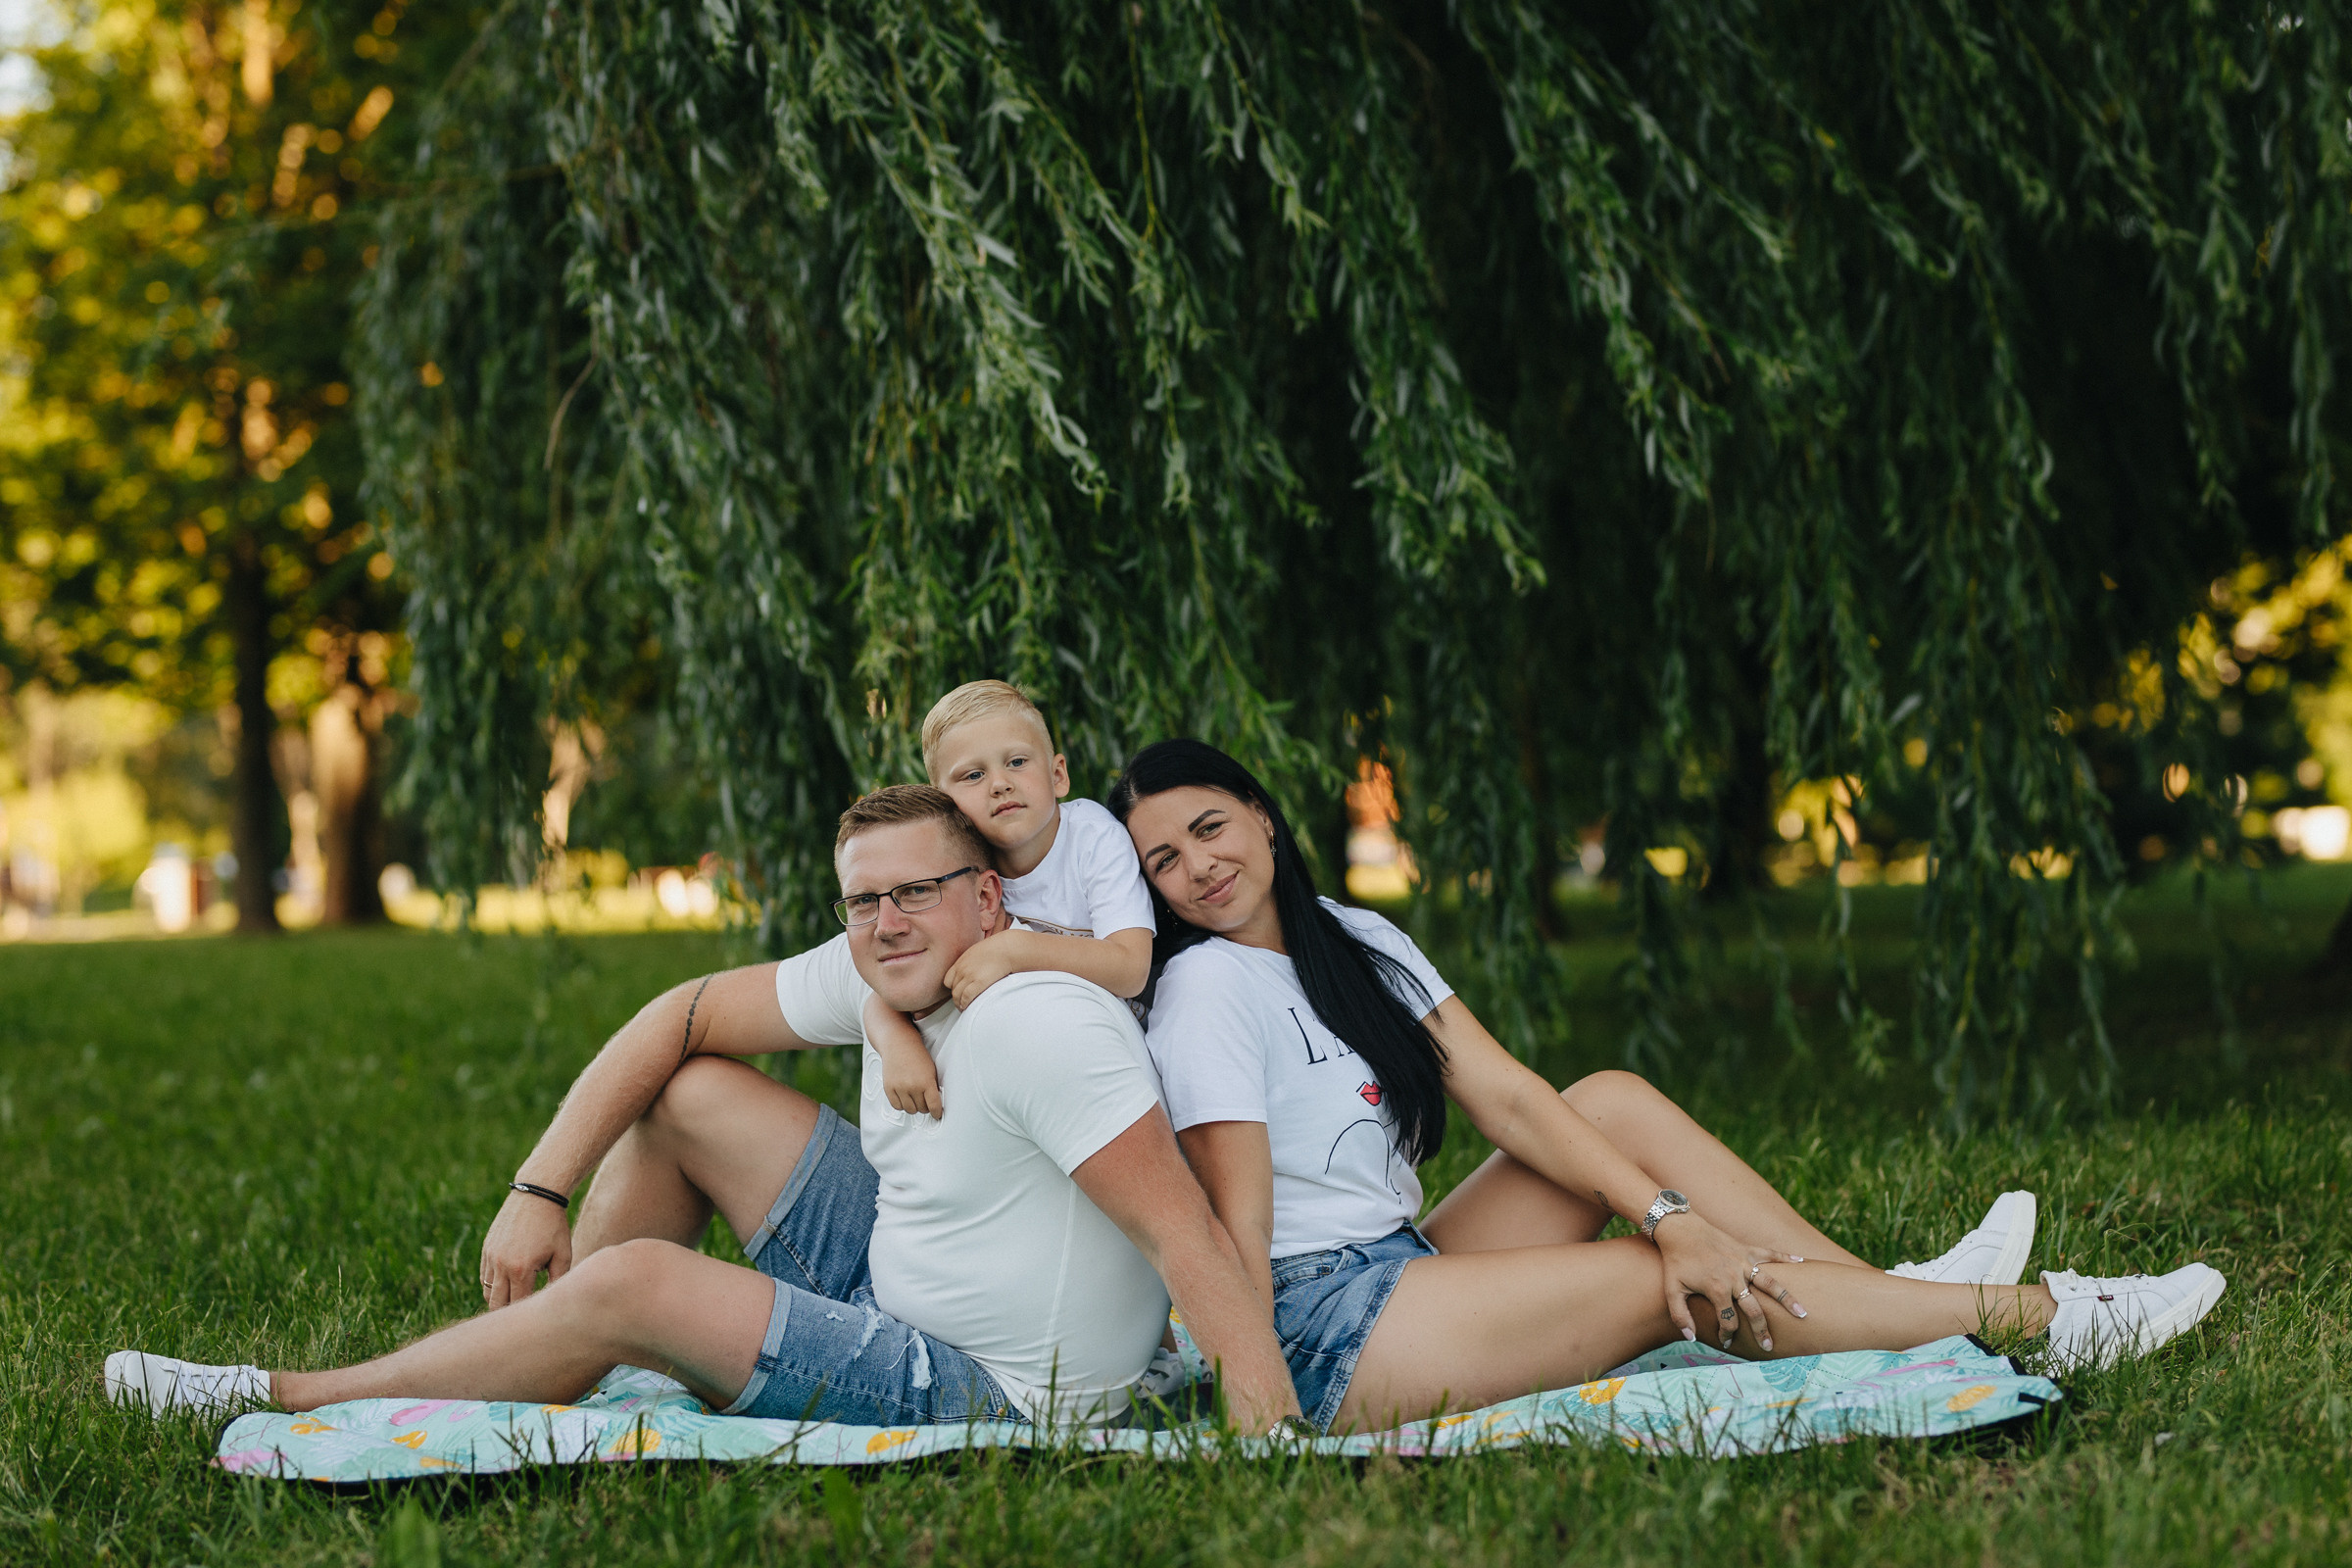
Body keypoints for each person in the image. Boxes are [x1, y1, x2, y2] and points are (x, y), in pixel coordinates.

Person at [1111, 739, 2228, 1435]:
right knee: (1670, 1280)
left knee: (1609, 1099)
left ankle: (1877, 1292)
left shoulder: (1350, 937)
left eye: (1209, 828)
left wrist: (1664, 1205)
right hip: (1318, 1334)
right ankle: (2046, 1319)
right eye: (1163, 860)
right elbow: (1233, 1224)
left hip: (1401, 1269)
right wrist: (1256, 1395)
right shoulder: (1205, 990)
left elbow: (1512, 1098)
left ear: (1262, 814)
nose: (1198, 867)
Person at [108, 786, 1303, 1435]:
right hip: (903, 1267)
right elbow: (679, 1013)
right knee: (686, 1095)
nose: (885, 922)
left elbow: (1181, 1231)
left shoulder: (1040, 1017)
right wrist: (538, 1188)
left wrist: (1271, 1440)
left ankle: (290, 1395)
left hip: (991, 1381)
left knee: (636, 1285)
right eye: (861, 900)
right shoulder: (893, 957)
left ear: (990, 900)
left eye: (915, 892)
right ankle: (547, 1354)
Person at [865, 681, 1155, 1118]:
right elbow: (888, 984)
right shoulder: (958, 875)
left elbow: (1131, 969)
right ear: (944, 805)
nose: (1000, 784)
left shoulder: (1092, 839)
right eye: (973, 775)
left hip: (1128, 1064)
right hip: (1041, 1070)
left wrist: (1014, 949)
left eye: (1017, 762)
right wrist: (895, 1041)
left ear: (1058, 775)